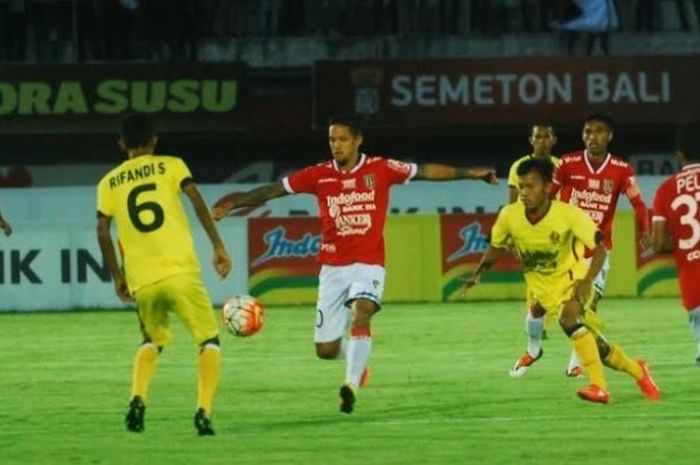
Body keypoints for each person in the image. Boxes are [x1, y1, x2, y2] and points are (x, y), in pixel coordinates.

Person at [212, 115, 497, 414]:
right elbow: (273, 190)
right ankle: (357, 363)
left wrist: (472, 173)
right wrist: (232, 204)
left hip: (368, 264)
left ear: (358, 139)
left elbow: (425, 171)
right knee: (326, 350)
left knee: (361, 312)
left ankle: (349, 385)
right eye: (332, 139)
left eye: (342, 139)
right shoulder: (318, 175)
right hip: (332, 268)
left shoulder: (381, 168)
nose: (336, 145)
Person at [463, 158, 660, 403]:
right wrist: (478, 273)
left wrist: (587, 280)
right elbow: (496, 247)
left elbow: (600, 249)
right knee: (598, 347)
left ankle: (599, 387)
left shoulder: (568, 214)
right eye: (521, 186)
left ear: (547, 188)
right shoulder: (509, 216)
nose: (523, 193)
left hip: (574, 279)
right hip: (543, 288)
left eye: (530, 186)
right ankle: (638, 371)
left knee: (569, 318)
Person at [96, 114, 232, 435]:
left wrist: (118, 275)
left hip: (143, 279)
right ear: (154, 140)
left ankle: (137, 397)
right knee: (209, 340)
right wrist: (218, 246)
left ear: (121, 145)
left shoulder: (108, 183)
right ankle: (203, 412)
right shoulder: (172, 165)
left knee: (151, 340)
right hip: (181, 271)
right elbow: (196, 200)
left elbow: (102, 229)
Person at [511, 113, 651, 379]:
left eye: (598, 132)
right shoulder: (568, 163)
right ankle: (534, 348)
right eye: (587, 132)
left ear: (609, 136)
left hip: (597, 252)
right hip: (565, 251)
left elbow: (639, 203)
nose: (592, 137)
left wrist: (644, 228)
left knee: (585, 310)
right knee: (540, 306)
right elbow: (546, 198)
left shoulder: (621, 169)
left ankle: (576, 363)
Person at [506, 124, 559, 345]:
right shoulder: (519, 166)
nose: (542, 141)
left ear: (553, 139)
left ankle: (540, 319)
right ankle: (540, 322)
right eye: (538, 136)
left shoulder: (560, 165)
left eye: (546, 136)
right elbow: (511, 199)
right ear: (531, 140)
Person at [652, 122, 700, 363]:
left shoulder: (665, 190)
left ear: (680, 155)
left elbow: (658, 243)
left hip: (693, 287)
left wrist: (687, 244)